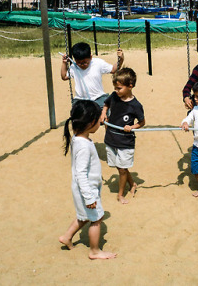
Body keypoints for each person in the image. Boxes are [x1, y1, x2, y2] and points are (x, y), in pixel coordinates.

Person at [59, 100, 117, 259]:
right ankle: (94, 251)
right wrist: (89, 196)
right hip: (86, 189)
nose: (100, 122)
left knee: (84, 216)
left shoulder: (78, 139)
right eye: (99, 119)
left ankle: (67, 237)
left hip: (83, 188)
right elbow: (81, 173)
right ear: (92, 122)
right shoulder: (83, 146)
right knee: (97, 218)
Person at [100, 68, 145, 204]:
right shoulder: (114, 96)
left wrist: (131, 127)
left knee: (122, 170)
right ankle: (132, 184)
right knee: (120, 167)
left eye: (119, 88)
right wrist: (103, 113)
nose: (116, 91)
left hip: (125, 142)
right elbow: (106, 104)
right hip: (111, 138)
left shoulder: (135, 105)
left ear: (130, 86)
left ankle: (120, 195)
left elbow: (142, 122)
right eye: (115, 88)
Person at [61, 42, 124, 107]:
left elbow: (113, 70)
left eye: (85, 62)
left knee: (105, 109)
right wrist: (64, 63)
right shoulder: (74, 67)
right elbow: (64, 76)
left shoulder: (98, 63)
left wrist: (121, 59)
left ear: (90, 57)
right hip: (80, 99)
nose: (82, 65)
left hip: (98, 97)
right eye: (79, 63)